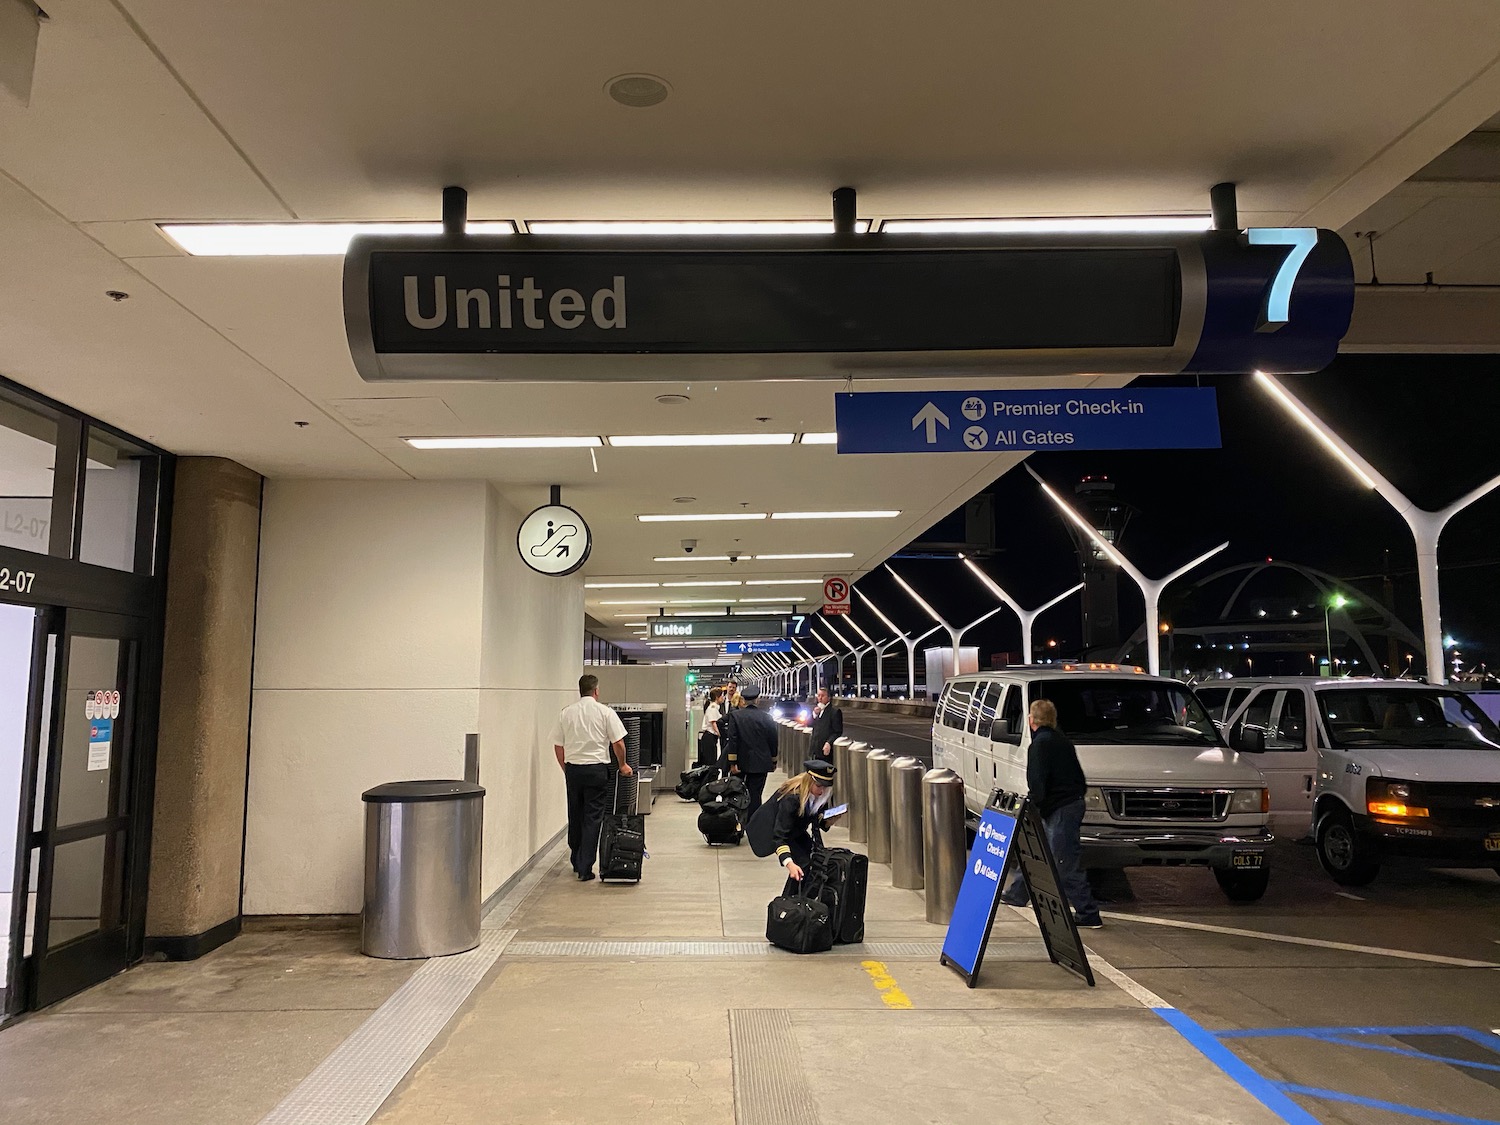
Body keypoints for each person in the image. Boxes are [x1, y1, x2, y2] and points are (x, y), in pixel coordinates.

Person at [998, 698, 1103, 928]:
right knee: (1038, 853)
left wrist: (1035, 806)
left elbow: (1037, 782)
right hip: (1069, 803)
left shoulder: (1040, 745)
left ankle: (1088, 913)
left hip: (1059, 808)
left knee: (1063, 862)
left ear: (1031, 720)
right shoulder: (1062, 741)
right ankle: (1017, 893)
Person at [551, 674, 633, 883]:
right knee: (593, 817)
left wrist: (565, 768)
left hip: (573, 770)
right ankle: (585, 867)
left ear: (580, 690)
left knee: (575, 814)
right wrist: (623, 765)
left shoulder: (566, 713)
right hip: (596, 770)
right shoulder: (605, 712)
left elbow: (558, 746)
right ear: (596, 691)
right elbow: (618, 743)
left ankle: (576, 859)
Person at [768, 758, 840, 884]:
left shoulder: (820, 795)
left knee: (815, 862)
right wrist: (789, 863)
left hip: (798, 832)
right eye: (818, 786)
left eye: (825, 787)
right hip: (782, 832)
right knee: (802, 866)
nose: (822, 791)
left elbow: (817, 822)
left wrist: (830, 820)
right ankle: (790, 900)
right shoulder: (792, 799)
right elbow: (779, 836)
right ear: (809, 782)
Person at [721, 685, 779, 818]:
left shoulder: (735, 716)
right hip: (761, 762)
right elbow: (773, 740)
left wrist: (732, 762)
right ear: (757, 700)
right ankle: (753, 825)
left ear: (744, 700)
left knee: (738, 793)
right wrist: (773, 760)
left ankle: (738, 822)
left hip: (741, 762)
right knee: (755, 794)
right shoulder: (767, 718)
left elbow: (733, 740)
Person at [807, 686, 843, 760]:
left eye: (823, 696)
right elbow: (809, 724)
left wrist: (829, 742)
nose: (820, 698)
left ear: (829, 698)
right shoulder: (817, 710)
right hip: (814, 750)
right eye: (818, 695)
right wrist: (814, 714)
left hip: (825, 751)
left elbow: (838, 732)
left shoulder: (834, 712)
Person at [698, 687, 725, 768]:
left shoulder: (715, 708)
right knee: (710, 762)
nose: (723, 698)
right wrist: (721, 734)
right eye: (722, 696)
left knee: (712, 760)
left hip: (711, 738)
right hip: (709, 737)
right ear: (717, 697)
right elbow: (714, 723)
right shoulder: (712, 708)